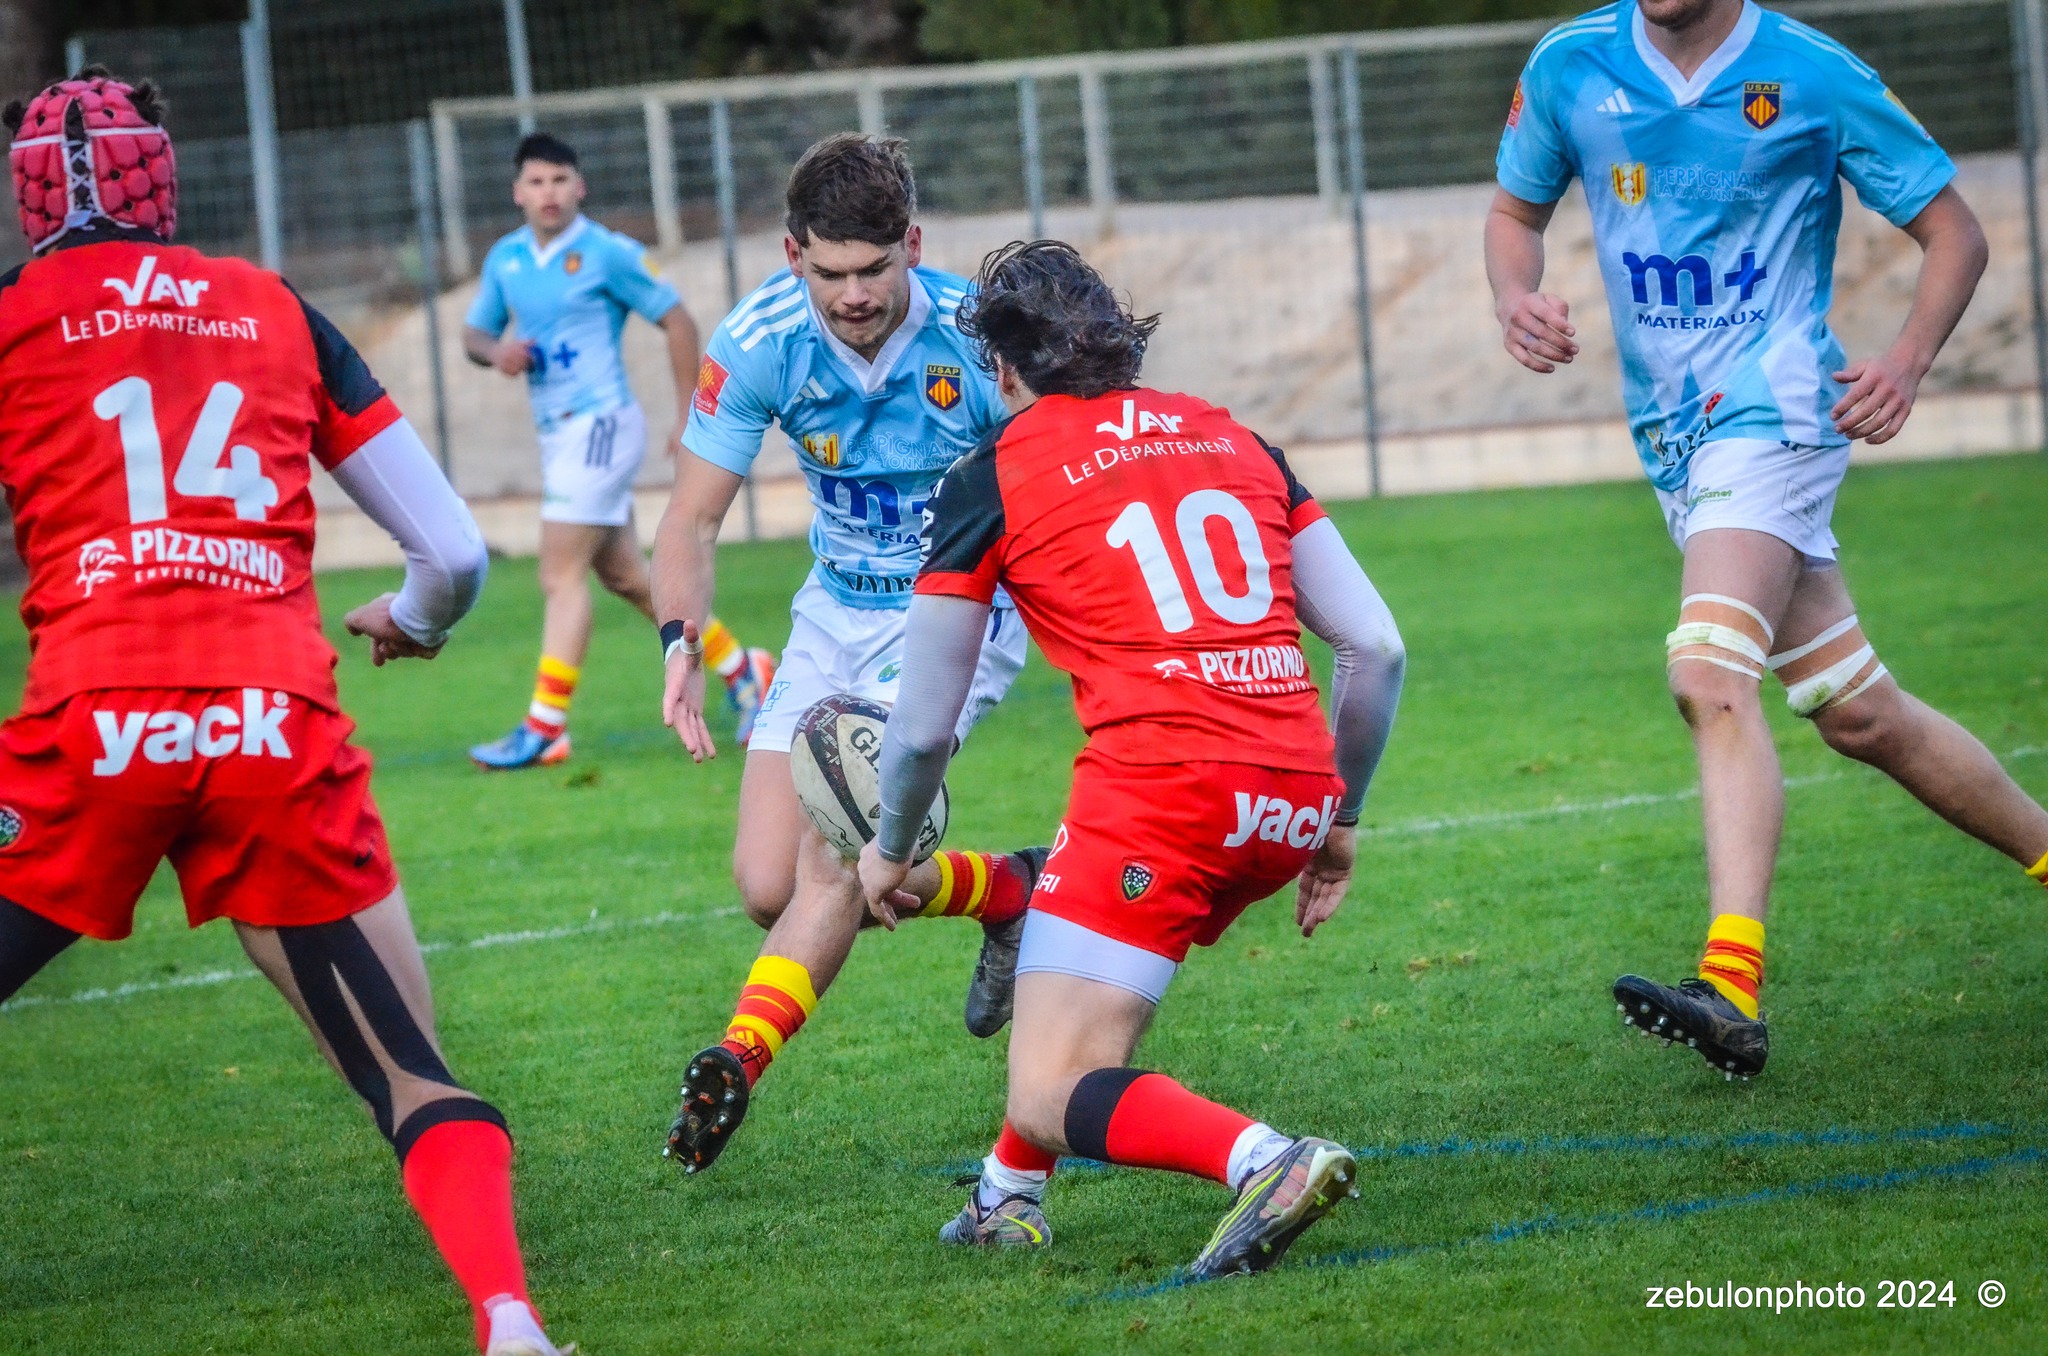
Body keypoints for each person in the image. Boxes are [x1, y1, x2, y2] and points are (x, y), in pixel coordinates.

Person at [0, 71, 567, 1355]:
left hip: (91, 725)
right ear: (163, 183)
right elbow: (458, 555)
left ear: (28, 196)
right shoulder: (272, 309)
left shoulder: (15, 317)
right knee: (407, 1065)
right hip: (269, 721)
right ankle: (511, 1319)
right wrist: (414, 623)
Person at [1487, 0, 2048, 1079]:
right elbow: (1512, 214)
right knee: (1858, 714)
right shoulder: (1569, 65)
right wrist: (1513, 297)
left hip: (1779, 408)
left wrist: (1904, 361)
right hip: (1672, 439)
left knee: (1705, 671)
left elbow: (1953, 232)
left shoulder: (1808, 72)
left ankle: (1730, 983)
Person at [858, 241, 1408, 1276]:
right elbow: (1373, 648)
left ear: (1005, 371)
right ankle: (1003, 1198)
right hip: (1286, 796)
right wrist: (1337, 824)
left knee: (1048, 1086)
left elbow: (924, 725)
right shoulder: (1234, 437)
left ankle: (1265, 1160)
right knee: (1077, 1003)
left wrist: (890, 847)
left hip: (1164, 792)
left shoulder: (994, 472)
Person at [653, 134, 1043, 1174]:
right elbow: (690, 519)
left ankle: (733, 1064)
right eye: (830, 271)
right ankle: (1010, 892)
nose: (855, 293)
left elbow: (1063, 467)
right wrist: (679, 642)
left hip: (958, 612)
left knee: (833, 857)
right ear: (792, 255)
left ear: (912, 243)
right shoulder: (760, 341)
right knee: (763, 886)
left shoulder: (976, 334)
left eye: (875, 267)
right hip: (830, 612)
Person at [464, 132, 771, 770]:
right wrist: (497, 352)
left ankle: (546, 725)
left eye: (560, 180)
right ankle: (745, 670)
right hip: (560, 433)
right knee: (629, 578)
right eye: (536, 183)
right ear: (519, 193)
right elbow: (474, 332)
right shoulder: (507, 260)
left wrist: (690, 412)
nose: (548, 193)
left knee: (559, 574)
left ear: (580, 187)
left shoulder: (607, 253)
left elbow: (678, 321)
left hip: (600, 425)